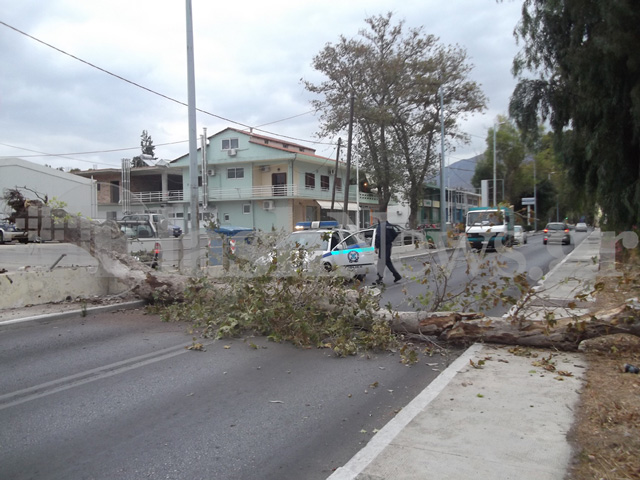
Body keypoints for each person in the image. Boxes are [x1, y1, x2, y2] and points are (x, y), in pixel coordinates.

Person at [373, 213, 402, 285]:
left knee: (381, 262)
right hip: (388, 245)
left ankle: (380, 278)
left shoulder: (380, 226)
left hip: (383, 246)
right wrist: (390, 240)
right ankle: (395, 275)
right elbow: (395, 234)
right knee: (387, 261)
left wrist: (376, 246)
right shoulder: (390, 226)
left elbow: (378, 237)